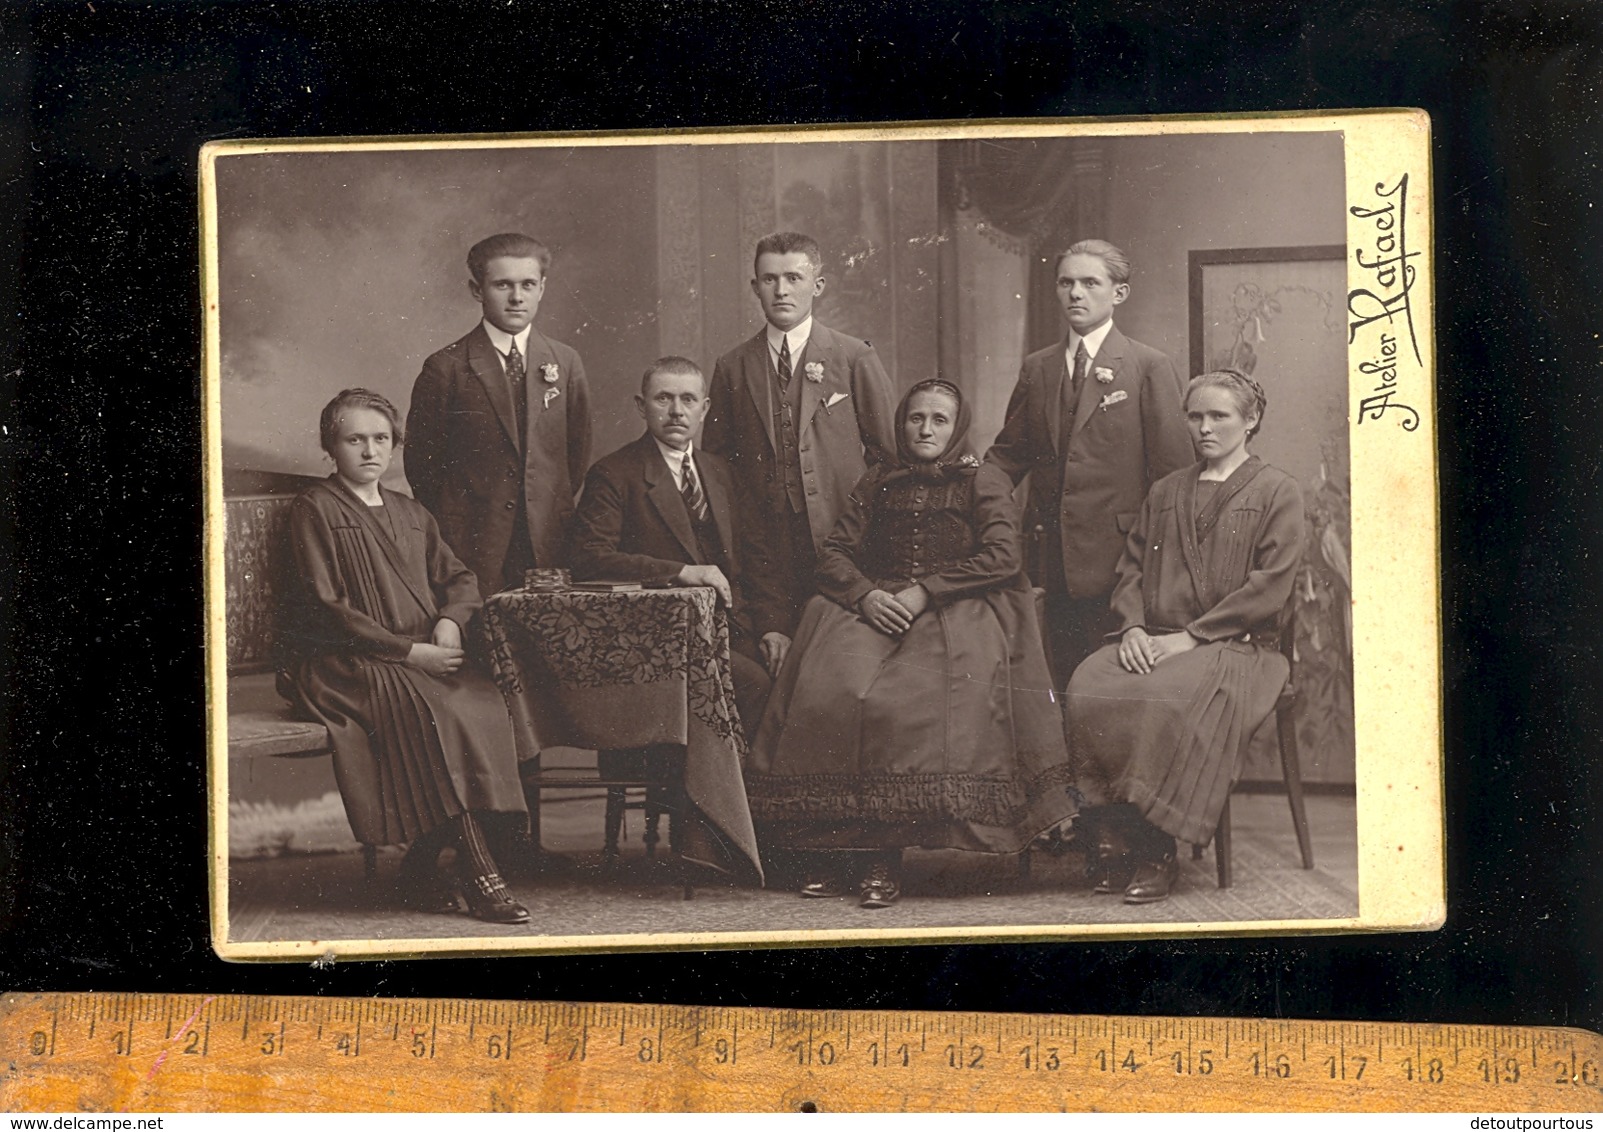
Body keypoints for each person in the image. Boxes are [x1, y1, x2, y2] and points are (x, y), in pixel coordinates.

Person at [746, 379, 1076, 909]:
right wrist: (864, 595)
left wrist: (930, 591)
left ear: (957, 427)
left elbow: (1001, 557)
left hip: (958, 609)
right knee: (840, 688)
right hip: (878, 604)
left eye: (939, 420)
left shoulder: (982, 480)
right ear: (901, 424)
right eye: (915, 419)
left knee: (903, 705)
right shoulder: (878, 480)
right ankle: (839, 848)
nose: (925, 429)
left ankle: (882, 856)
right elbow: (833, 553)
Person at [279, 389, 532, 925]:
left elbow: (460, 578)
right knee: (431, 715)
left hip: (418, 657)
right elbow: (326, 607)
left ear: (394, 445)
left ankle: (419, 867)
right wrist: (408, 652)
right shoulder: (316, 509)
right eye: (354, 439)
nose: (369, 451)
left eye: (380, 439)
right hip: (346, 663)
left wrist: (450, 620)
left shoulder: (410, 511)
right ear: (331, 446)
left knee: (485, 705)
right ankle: (480, 871)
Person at [1064, 369, 1305, 905]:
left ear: (1251, 420)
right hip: (1159, 636)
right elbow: (1129, 569)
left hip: (1238, 647)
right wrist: (1130, 628)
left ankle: (1156, 847)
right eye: (1195, 416)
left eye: (1219, 415)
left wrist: (1192, 637)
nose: (1204, 427)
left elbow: (1270, 587)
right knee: (1089, 681)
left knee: (1165, 698)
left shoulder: (1276, 491)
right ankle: (1113, 835)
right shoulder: (1167, 490)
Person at [986, 239, 1193, 689]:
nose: (1075, 293)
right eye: (1066, 283)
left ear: (1119, 293)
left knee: (1113, 689)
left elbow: (1174, 478)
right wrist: (981, 501)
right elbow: (1006, 458)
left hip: (1122, 565)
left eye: (1089, 283)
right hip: (1049, 562)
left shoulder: (1148, 366)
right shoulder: (1038, 368)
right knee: (1058, 681)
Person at [702, 231, 896, 678]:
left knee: (840, 668)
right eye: (769, 279)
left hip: (844, 541)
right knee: (774, 668)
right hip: (765, 552)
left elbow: (889, 457)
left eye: (794, 277)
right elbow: (717, 471)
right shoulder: (732, 367)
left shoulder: (853, 357)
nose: (782, 290)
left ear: (818, 285)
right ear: (755, 287)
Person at [569, 356, 774, 733]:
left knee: (795, 677)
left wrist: (772, 628)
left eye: (688, 400)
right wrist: (682, 573)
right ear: (640, 406)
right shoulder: (614, 474)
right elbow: (590, 559)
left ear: (704, 409)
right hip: (660, 634)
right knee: (752, 685)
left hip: (732, 627)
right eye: (663, 399)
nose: (677, 411)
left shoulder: (721, 472)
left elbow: (757, 559)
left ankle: (748, 792)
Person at [406, 233, 591, 600]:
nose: (517, 297)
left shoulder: (565, 362)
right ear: (477, 290)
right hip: (473, 542)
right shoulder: (447, 367)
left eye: (527, 285)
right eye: (502, 285)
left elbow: (576, 453)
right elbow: (423, 466)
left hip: (547, 541)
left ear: (542, 288)